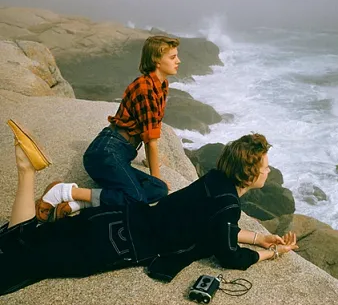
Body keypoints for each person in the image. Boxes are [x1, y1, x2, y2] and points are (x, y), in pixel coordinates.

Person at [0, 120, 299, 296]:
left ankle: (27, 171)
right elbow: (229, 254)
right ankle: (26, 169)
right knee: (18, 265)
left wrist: (260, 238)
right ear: (248, 173)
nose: (268, 172)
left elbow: (222, 229)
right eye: (265, 167)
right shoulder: (228, 205)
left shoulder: (215, 180)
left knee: (30, 244)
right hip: (117, 244)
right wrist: (271, 253)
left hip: (114, 218)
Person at [35, 35, 181, 222]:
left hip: (119, 154)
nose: (178, 61)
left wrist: (155, 177)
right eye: (172, 57)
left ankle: (79, 204)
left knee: (158, 190)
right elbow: (151, 142)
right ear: (156, 61)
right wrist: (156, 175)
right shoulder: (144, 88)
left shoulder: (161, 85)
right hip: (106, 152)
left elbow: (148, 126)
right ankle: (65, 192)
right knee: (137, 200)